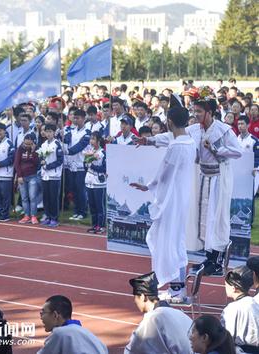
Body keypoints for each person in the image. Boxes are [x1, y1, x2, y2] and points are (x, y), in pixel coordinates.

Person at [142, 99, 242, 275]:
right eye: (194, 111)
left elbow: (238, 151)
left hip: (220, 176)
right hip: (203, 175)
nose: (196, 115)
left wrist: (216, 149)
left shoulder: (223, 130)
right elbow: (173, 136)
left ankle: (217, 259)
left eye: (200, 112)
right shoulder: (194, 129)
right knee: (205, 217)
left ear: (210, 112)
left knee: (217, 217)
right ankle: (210, 256)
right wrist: (149, 140)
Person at [130, 107, 196, 300]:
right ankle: (178, 287)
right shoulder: (189, 140)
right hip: (180, 197)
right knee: (176, 242)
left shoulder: (177, 146)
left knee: (169, 243)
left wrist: (148, 186)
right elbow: (168, 139)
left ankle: (176, 289)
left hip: (171, 200)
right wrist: (149, 140)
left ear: (169, 121)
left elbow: (164, 173)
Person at [125, 272, 193, 353]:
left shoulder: (154, 318)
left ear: (143, 297)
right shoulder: (177, 312)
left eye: (136, 297)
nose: (135, 301)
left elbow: (133, 348)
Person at [37, 295, 107, 354]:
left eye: (43, 312)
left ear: (55, 315)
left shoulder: (60, 333)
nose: (41, 317)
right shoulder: (89, 335)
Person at [220, 265, 259, 352]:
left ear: (233, 288)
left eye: (226, 285)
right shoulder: (255, 303)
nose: (225, 287)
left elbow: (226, 338)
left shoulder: (231, 309)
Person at [64, 108, 90, 221]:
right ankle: (76, 210)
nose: (75, 120)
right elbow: (65, 140)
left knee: (80, 189)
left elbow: (81, 145)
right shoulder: (72, 131)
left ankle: (82, 212)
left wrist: (69, 151)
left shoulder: (87, 133)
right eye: (74, 118)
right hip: (71, 164)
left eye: (78, 118)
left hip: (81, 164)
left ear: (83, 119)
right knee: (73, 189)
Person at [39, 124, 64, 228]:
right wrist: (42, 162)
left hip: (54, 175)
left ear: (54, 133)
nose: (48, 134)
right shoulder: (44, 144)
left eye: (50, 132)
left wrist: (49, 166)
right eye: (46, 131)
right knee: (46, 197)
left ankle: (54, 218)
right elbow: (40, 157)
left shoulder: (57, 144)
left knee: (53, 197)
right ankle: (48, 216)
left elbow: (60, 160)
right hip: (45, 175)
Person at [0, 123, 15, 222]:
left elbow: (11, 158)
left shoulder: (9, 143)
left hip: (6, 174)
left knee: (5, 196)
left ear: (5, 131)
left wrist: (1, 164)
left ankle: (5, 214)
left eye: (0, 130)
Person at [83, 132, 107, 233]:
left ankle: (101, 226)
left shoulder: (102, 153)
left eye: (93, 139)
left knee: (99, 205)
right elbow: (85, 165)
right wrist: (86, 164)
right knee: (92, 205)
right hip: (89, 181)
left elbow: (104, 168)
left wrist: (91, 166)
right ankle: (94, 224)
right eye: (91, 139)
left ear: (98, 141)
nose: (91, 141)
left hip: (99, 183)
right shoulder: (90, 151)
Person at [14, 135, 40, 224]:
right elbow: (17, 163)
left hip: (32, 176)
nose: (27, 146)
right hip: (22, 177)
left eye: (29, 144)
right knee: (24, 198)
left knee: (32, 197)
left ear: (33, 143)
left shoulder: (36, 149)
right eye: (26, 144)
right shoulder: (20, 149)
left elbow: (37, 163)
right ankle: (26, 215)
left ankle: (33, 216)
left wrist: (33, 152)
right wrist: (19, 176)